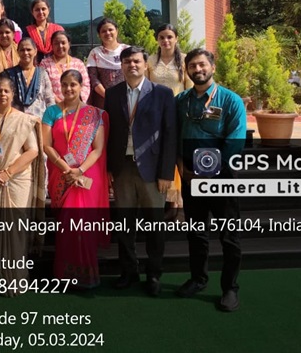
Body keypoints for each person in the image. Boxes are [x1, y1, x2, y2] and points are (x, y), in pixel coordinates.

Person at [175, 48, 247, 312]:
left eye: (202, 64)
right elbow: (174, 137)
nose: (198, 69)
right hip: (190, 178)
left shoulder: (230, 100)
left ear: (212, 67)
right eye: (192, 66)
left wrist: (207, 174)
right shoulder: (181, 101)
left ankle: (230, 288)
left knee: (229, 237)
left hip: (222, 178)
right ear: (187, 70)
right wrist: (183, 169)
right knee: (196, 233)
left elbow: (235, 143)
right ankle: (198, 279)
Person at [104, 46, 176, 296]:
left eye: (136, 61)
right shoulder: (112, 94)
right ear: (121, 66)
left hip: (153, 171)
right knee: (125, 225)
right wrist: (109, 168)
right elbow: (110, 133)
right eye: (127, 62)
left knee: (155, 225)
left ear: (146, 65)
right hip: (122, 168)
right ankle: (129, 271)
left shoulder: (162, 93)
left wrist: (166, 172)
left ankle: (154, 274)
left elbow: (170, 134)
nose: (131, 65)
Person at [0, 77, 44, 296]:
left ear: (13, 95)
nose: (2, 94)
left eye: (6, 91)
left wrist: (8, 172)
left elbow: (33, 150)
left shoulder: (24, 120)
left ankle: (15, 279)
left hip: (16, 180)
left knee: (15, 227)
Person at [41, 69, 109, 288]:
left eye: (73, 84)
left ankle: (86, 275)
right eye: (65, 84)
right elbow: (46, 145)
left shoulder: (94, 114)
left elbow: (97, 149)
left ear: (81, 87)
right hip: (61, 174)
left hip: (86, 176)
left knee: (83, 225)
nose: (68, 88)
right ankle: (65, 274)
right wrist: (65, 168)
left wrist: (79, 171)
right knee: (67, 226)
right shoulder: (52, 112)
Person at [148, 24, 192, 212]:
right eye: (162, 37)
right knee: (163, 155)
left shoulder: (185, 60)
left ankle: (180, 202)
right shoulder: (150, 60)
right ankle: (166, 200)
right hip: (156, 116)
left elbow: (189, 89)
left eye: (169, 37)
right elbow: (145, 89)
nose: (166, 41)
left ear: (176, 39)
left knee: (178, 156)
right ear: (157, 40)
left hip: (178, 113)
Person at [2, 38, 56, 118]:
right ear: (18, 52)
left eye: (28, 49)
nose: (25, 53)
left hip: (39, 120)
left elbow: (49, 100)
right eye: (22, 50)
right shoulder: (8, 75)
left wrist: (51, 119)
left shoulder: (42, 73)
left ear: (35, 51)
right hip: (15, 121)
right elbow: (4, 101)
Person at [87, 18, 130, 108]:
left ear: (117, 31)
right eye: (103, 31)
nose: (107, 33)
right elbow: (93, 78)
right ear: (99, 35)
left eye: (110, 30)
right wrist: (108, 96)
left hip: (126, 99)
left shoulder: (127, 50)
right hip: (102, 101)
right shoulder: (95, 53)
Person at [40, 30, 91, 103]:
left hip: (77, 106)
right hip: (55, 106)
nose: (60, 46)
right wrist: (61, 104)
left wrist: (76, 103)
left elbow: (85, 85)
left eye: (63, 43)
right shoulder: (45, 64)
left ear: (69, 44)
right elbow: (44, 88)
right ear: (52, 45)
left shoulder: (78, 63)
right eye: (56, 43)